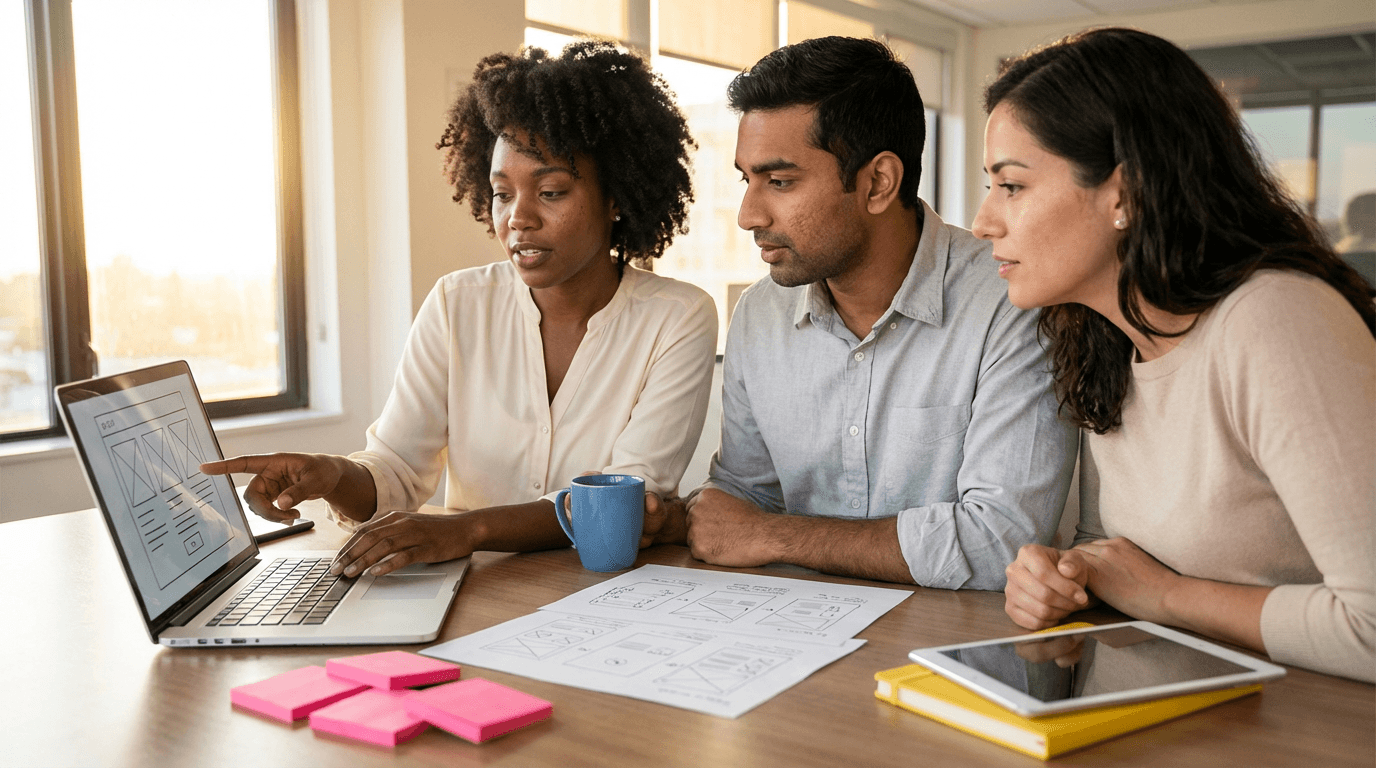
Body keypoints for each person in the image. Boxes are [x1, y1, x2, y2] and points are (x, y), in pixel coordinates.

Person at [203, 41, 717, 579]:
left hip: (606, 594)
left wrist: (466, 529)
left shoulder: (677, 317)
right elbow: (396, 469)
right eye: (501, 193)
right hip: (475, 593)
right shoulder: (458, 303)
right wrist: (331, 474)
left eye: (551, 191)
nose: (518, 218)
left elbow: (626, 501)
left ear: (617, 197)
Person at [979, 28, 1374, 682]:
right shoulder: (1105, 340)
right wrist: (1065, 576)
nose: (984, 221)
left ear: (1126, 194)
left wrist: (1162, 595)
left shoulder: (1276, 321)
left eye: (1011, 186)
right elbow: (1124, 561)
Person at [642, 37, 1078, 589]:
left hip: (953, 655)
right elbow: (746, 499)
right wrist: (682, 517)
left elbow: (1001, 542)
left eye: (780, 181)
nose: (749, 215)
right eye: (746, 180)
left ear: (877, 183)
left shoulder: (1009, 303)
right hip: (792, 635)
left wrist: (779, 536)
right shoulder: (760, 314)